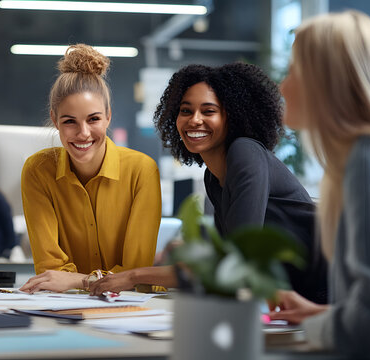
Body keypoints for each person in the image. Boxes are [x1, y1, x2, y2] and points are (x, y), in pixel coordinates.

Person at [90, 62, 328, 305]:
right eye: (185, 111)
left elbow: (233, 263)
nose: (194, 120)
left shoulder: (245, 153)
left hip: (324, 297)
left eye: (208, 111)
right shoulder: (213, 178)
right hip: (287, 301)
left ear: (231, 117)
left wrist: (133, 276)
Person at [267, 11, 370, 358]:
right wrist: (323, 314)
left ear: (327, 81)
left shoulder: (368, 156)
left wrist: (312, 332)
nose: (283, 87)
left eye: (294, 71)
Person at [19, 44, 162, 293]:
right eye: (69, 121)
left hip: (133, 308)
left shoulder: (142, 171)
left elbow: (136, 274)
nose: (83, 133)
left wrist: (80, 281)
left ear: (108, 116)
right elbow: (49, 269)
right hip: (65, 307)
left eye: (93, 119)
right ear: (55, 120)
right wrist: (102, 281)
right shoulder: (38, 171)